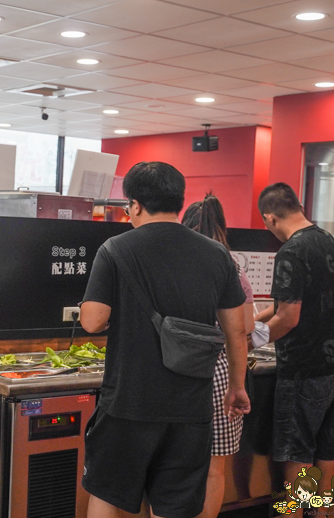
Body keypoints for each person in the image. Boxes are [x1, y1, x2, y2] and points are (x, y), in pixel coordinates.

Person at [80, 161, 251, 518]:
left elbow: (93, 322)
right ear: (178, 200)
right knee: (175, 504)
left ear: (136, 205)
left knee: (108, 493)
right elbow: (237, 330)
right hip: (191, 407)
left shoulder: (115, 249)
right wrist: (237, 386)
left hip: (129, 401)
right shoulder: (217, 254)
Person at [256, 183, 334, 492]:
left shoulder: (291, 251)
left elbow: (287, 318)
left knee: (298, 452)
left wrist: (251, 340)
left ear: (270, 218)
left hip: (305, 369)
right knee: (328, 445)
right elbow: (291, 301)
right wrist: (252, 321)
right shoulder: (327, 240)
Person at [182, 194, 257, 518]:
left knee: (173, 466)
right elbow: (246, 326)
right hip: (221, 372)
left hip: (177, 370)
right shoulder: (230, 264)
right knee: (214, 468)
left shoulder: (174, 262)